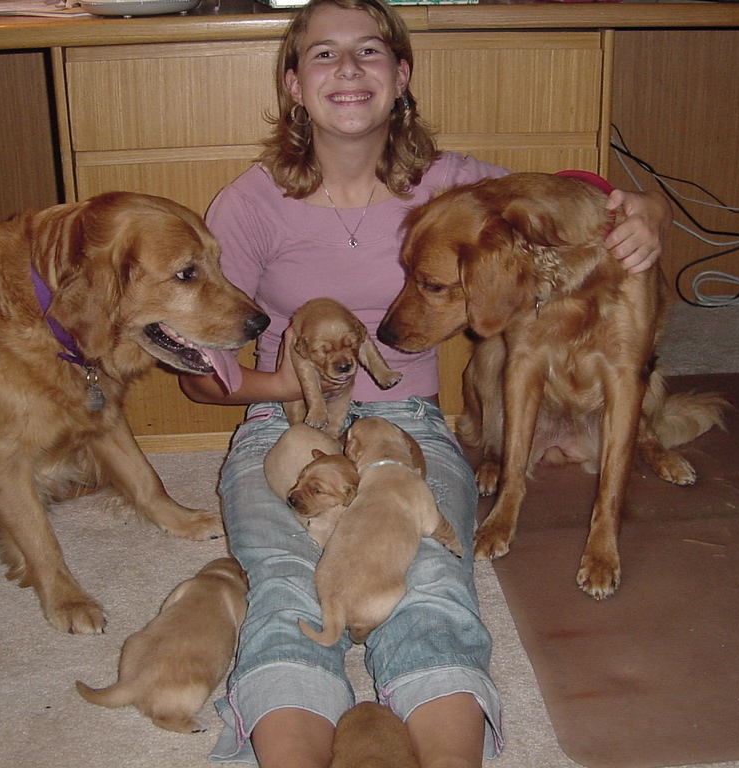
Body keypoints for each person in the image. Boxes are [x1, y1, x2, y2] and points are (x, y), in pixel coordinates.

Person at [178, 1, 672, 766]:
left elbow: (564, 194)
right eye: (323, 55)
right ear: (293, 84)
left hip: (406, 421)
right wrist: (282, 385)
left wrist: (642, 208)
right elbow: (201, 377)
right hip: (285, 427)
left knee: (434, 572)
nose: (347, 68)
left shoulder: (451, 184)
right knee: (283, 577)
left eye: (370, 51)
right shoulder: (249, 204)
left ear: (401, 76)